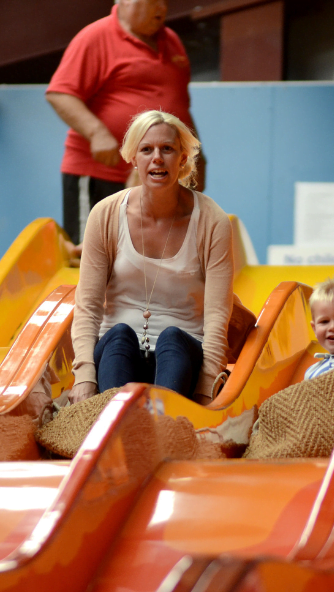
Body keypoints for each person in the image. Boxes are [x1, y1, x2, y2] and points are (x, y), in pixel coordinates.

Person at [69, 110, 232, 406]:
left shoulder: (212, 220)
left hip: (182, 361)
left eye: (167, 149)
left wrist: (207, 386)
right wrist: (84, 377)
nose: (157, 158)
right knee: (119, 334)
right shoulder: (106, 214)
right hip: (117, 355)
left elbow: (218, 314)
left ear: (182, 158)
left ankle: (166, 421)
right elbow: (88, 306)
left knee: (173, 337)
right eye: (147, 149)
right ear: (134, 158)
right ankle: (113, 417)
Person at [46, 0, 202, 246]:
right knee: (93, 258)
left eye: (164, 1)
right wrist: (97, 132)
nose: (162, 8)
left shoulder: (172, 40)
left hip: (157, 179)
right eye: (153, 1)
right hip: (100, 174)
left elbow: (179, 107)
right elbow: (60, 93)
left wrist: (194, 154)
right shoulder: (96, 36)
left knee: (151, 261)